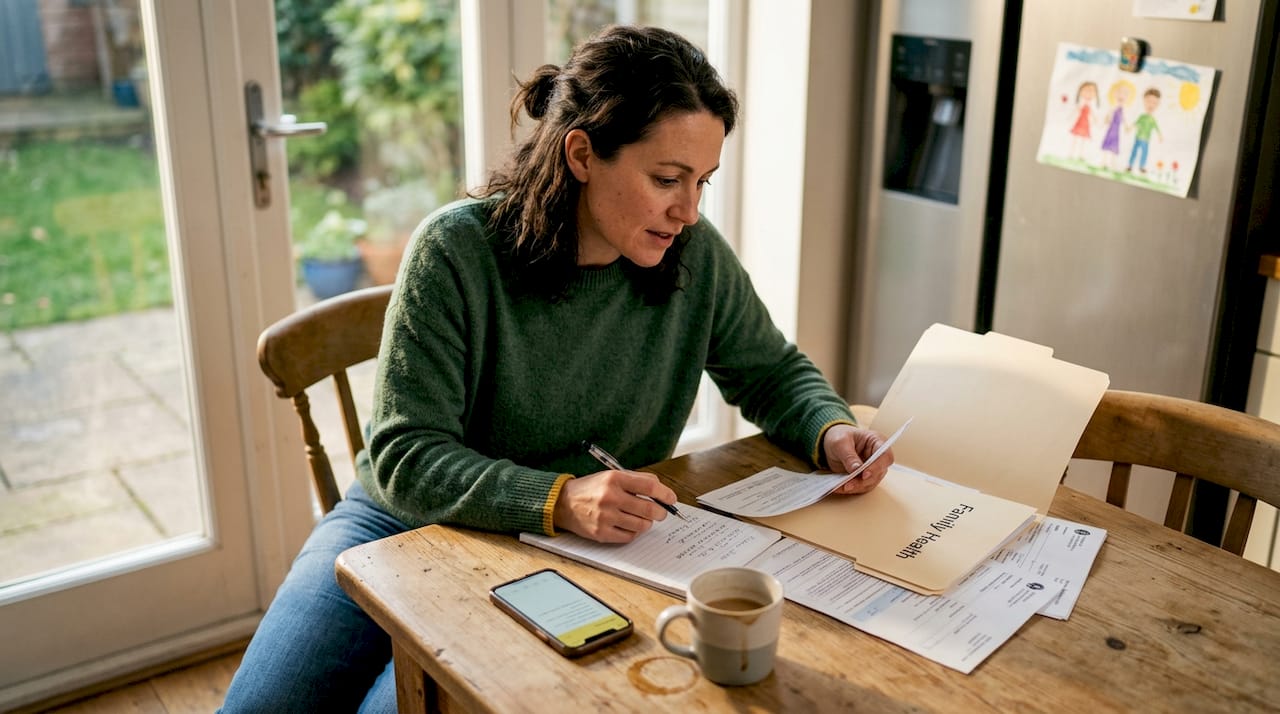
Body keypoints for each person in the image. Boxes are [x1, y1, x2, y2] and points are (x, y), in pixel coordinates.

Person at [220, 24, 894, 712]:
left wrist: (829, 427)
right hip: (400, 528)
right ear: (581, 154)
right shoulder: (456, 252)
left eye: (702, 182)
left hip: (568, 557)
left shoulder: (693, 255)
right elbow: (403, 456)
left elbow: (770, 370)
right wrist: (559, 498)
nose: (688, 211)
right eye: (666, 179)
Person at [1127, 87, 1163, 174]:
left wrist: (1160, 135)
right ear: (1144, 101)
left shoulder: (1152, 119)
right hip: (1138, 137)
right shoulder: (1142, 117)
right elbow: (1136, 123)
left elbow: (1156, 127)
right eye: (1148, 101)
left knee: (1144, 153)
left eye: (1154, 103)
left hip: (1146, 139)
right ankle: (1130, 165)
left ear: (1158, 104)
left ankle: (1142, 166)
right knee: (1134, 151)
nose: (1151, 105)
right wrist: (1130, 128)